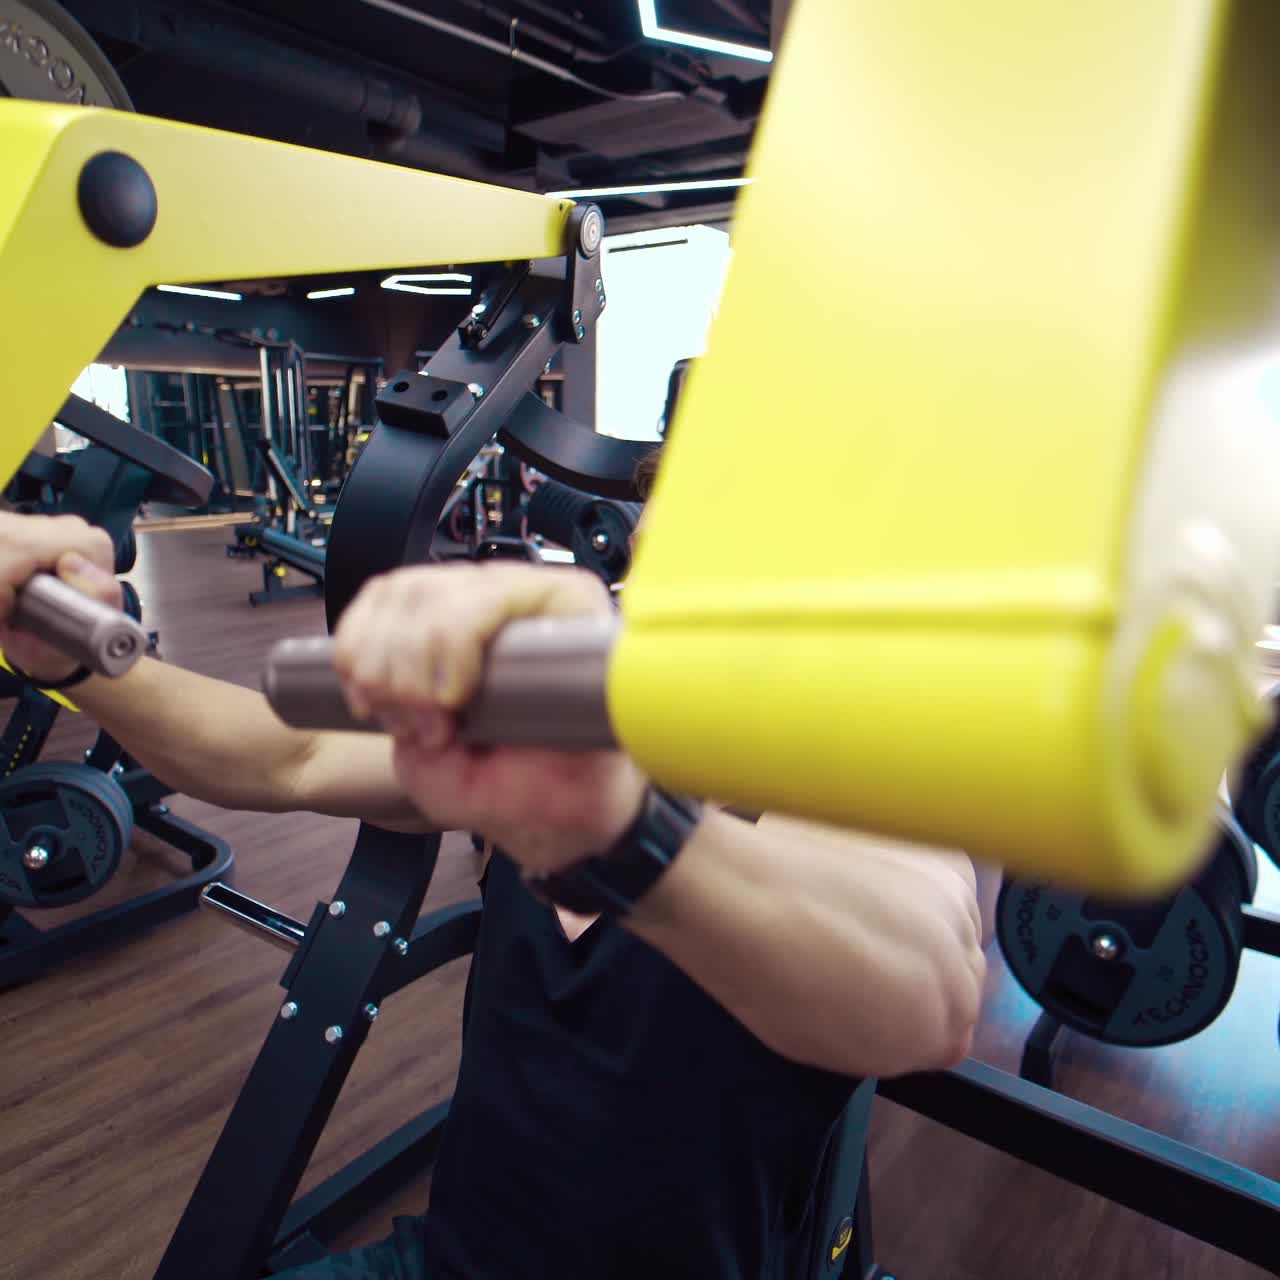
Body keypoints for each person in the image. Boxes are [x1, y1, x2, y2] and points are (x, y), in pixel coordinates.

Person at [0, 496, 988, 1280]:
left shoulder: (859, 776)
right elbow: (285, 750)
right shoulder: (565, 718)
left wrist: (627, 826)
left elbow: (927, 991)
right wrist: (82, 661)